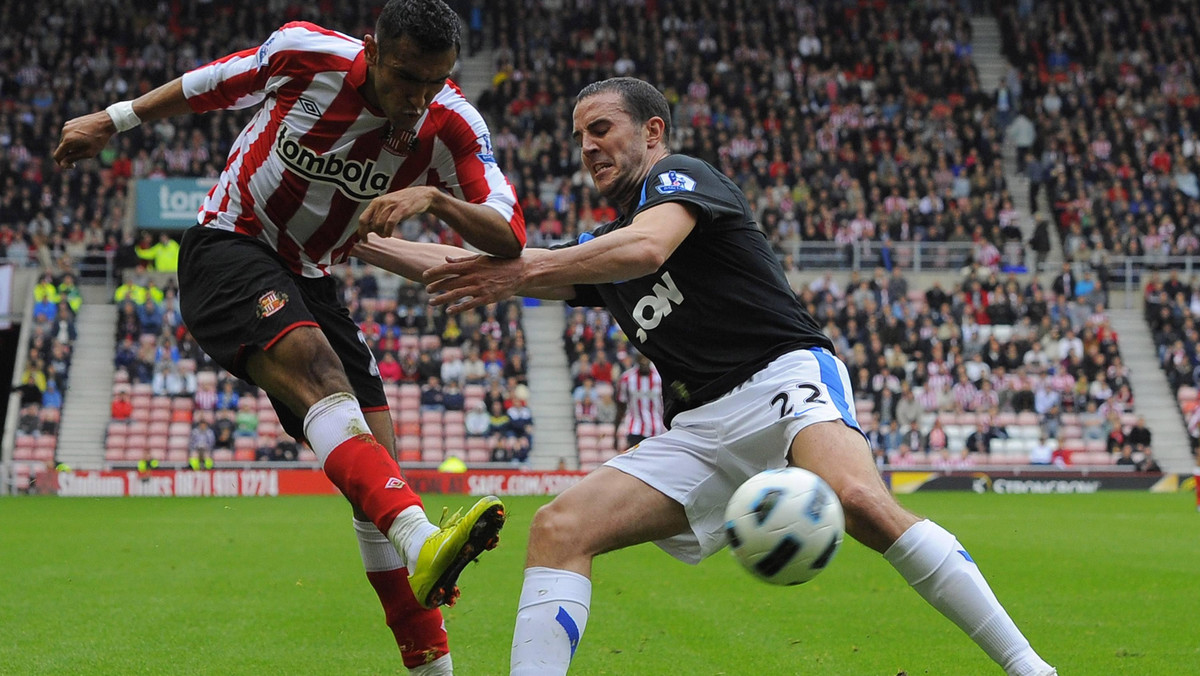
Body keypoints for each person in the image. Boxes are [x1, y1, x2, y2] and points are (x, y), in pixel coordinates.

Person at [356, 77, 1056, 676]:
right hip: (698, 426)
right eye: (579, 137)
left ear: (653, 131)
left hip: (783, 379)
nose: (587, 147)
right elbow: (473, 269)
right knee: (560, 528)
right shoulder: (599, 255)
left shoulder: (683, 178)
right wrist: (354, 237)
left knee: (860, 502)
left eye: (602, 129)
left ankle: (1030, 667)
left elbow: (646, 246)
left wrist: (526, 265)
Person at [53, 2, 519, 673]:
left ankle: (434, 667)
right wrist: (115, 118)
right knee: (328, 391)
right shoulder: (308, 54)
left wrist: (437, 201)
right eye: (406, 78)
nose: (417, 98)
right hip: (229, 245)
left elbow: (509, 233)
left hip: (313, 280)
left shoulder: (450, 123)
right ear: (372, 51)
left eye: (433, 81)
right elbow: (212, 84)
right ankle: (422, 542)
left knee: (378, 475)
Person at [613, 352, 665, 451]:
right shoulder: (627, 378)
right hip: (635, 429)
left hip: (658, 430)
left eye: (646, 359)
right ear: (636, 360)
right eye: (641, 360)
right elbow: (620, 407)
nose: (644, 362)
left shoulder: (660, 378)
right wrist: (615, 434)